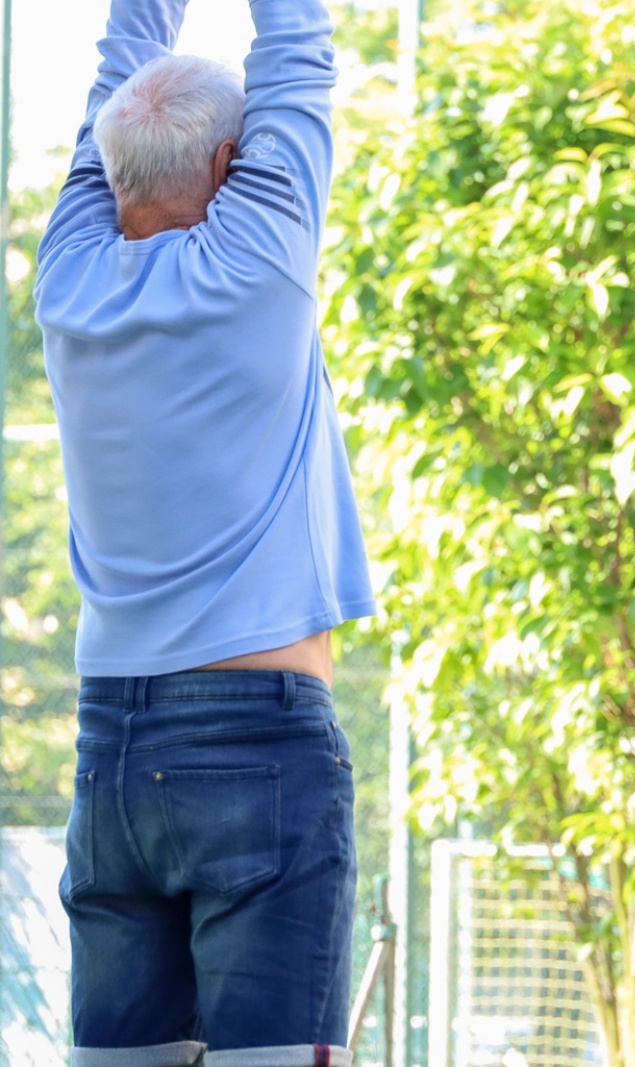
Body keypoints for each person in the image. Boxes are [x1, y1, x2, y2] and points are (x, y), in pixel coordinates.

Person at [33, 0, 375, 1062]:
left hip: (111, 752)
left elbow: (144, 77)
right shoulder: (257, 268)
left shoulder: (67, 283)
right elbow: (296, 55)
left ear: (110, 168)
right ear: (230, 161)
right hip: (255, 743)